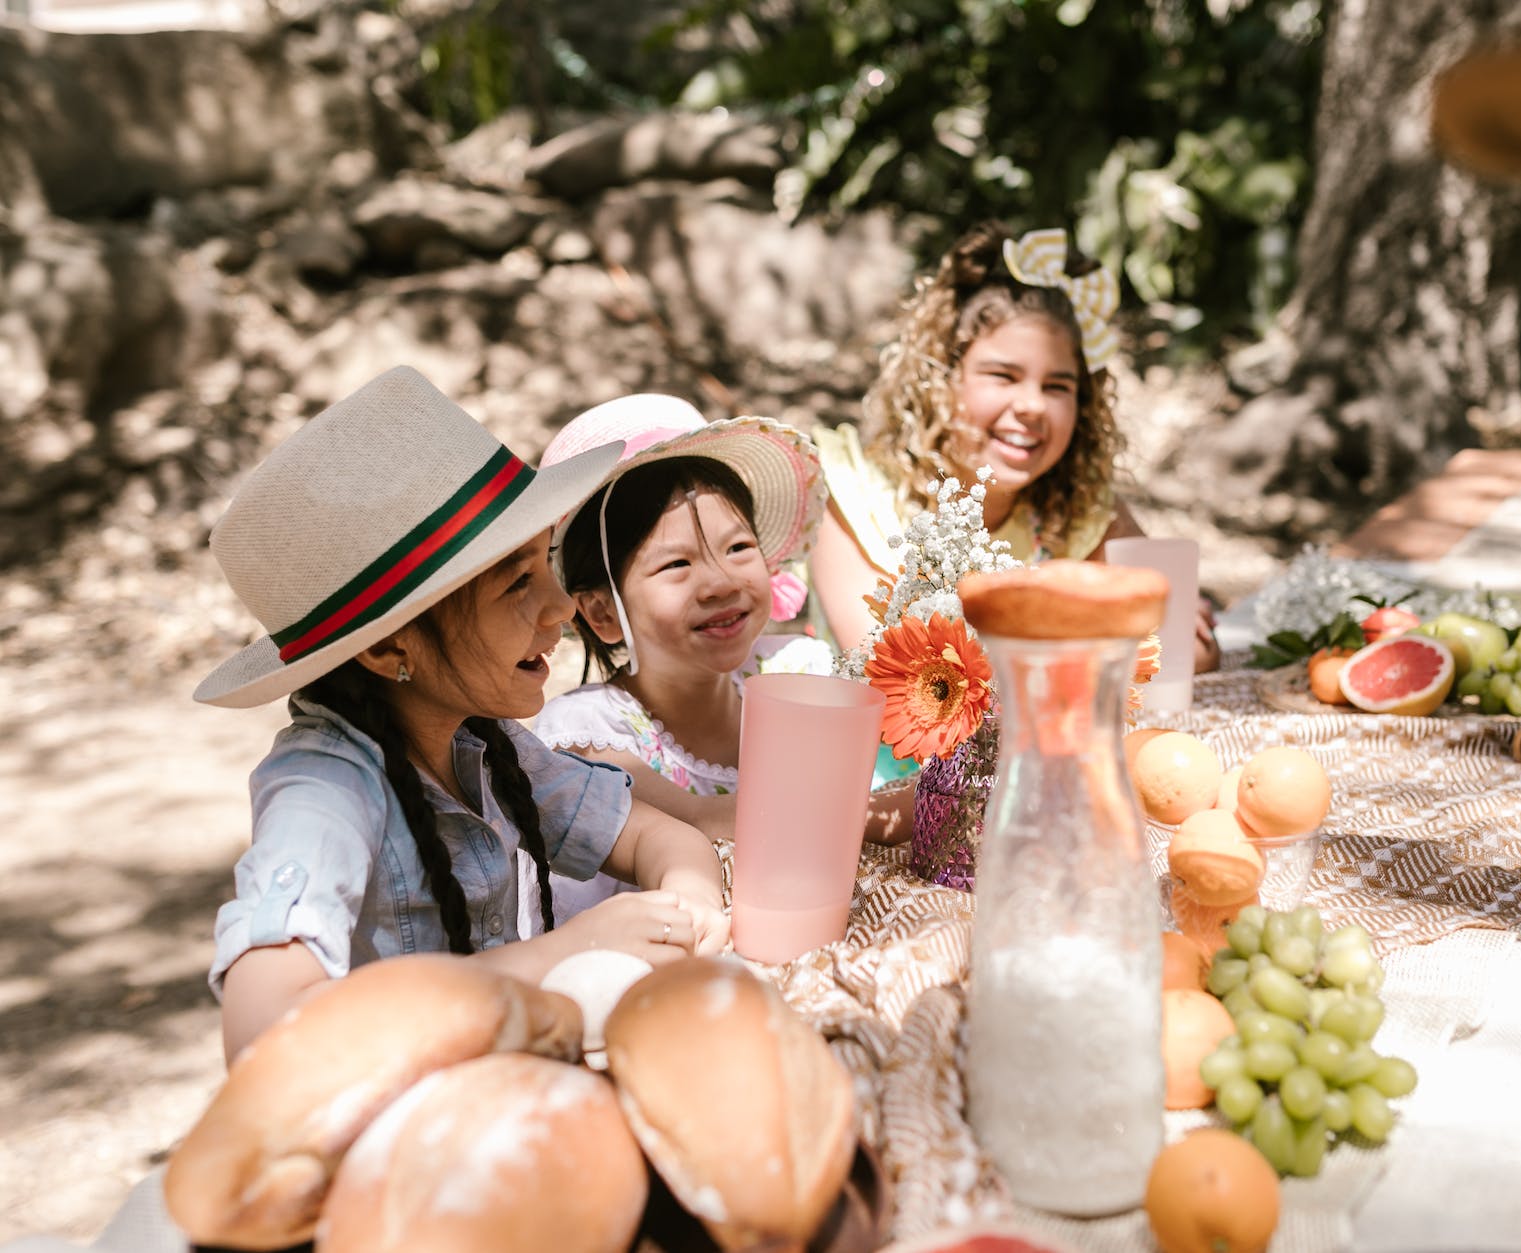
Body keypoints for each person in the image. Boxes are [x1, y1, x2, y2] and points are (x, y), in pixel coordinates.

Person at [194, 367, 730, 1063]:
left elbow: (657, 834)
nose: (562, 608)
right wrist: (560, 953)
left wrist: (688, 907)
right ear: (391, 647)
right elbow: (264, 1028)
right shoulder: (323, 791)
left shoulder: (487, 745)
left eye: (546, 563)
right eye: (516, 584)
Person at [808, 221, 1221, 670]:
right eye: (1002, 376)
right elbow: (888, 670)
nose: (1032, 406)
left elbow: (1188, 654)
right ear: (939, 379)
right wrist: (1090, 623)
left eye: (1058, 386)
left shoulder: (1081, 513)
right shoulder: (858, 501)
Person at [523, 394, 856, 930]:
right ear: (603, 613)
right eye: (677, 563)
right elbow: (710, 821)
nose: (722, 582)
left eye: (739, 547)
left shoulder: (793, 673)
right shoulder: (591, 736)